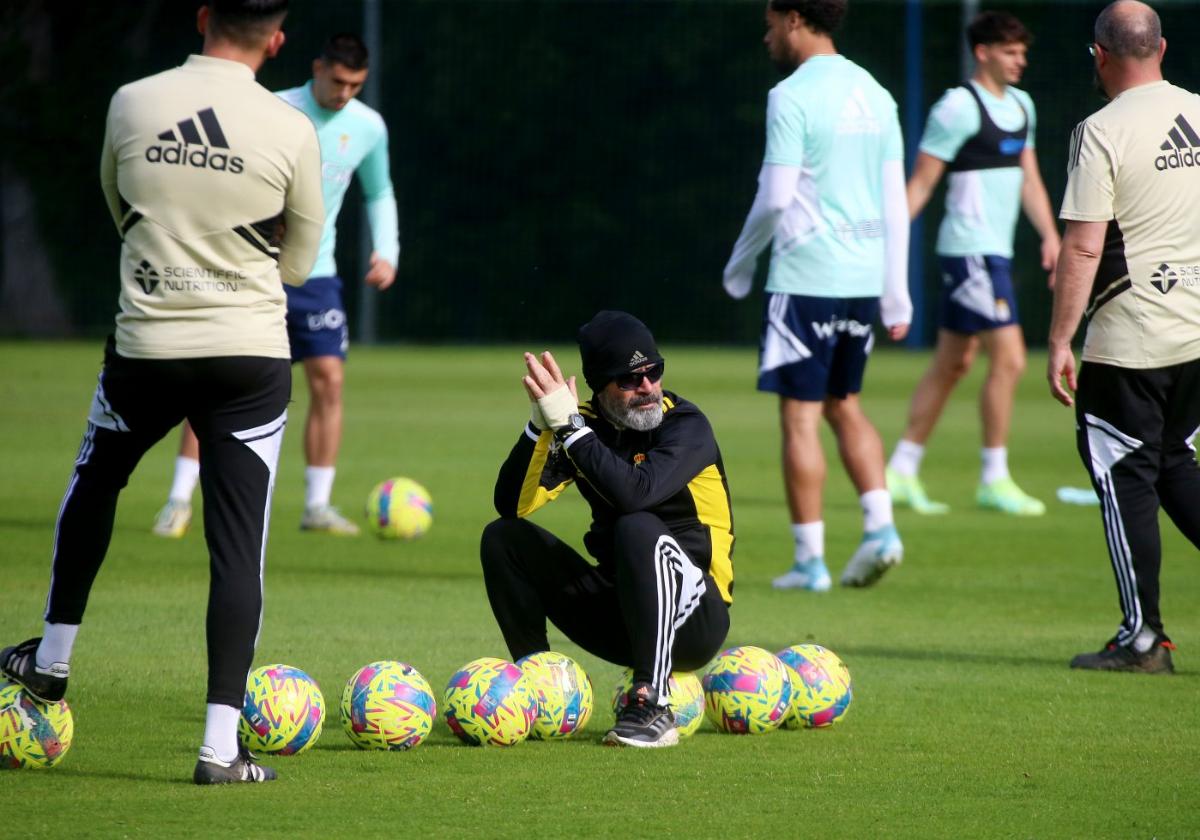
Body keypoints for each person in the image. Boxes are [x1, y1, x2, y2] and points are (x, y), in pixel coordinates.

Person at [0, 0, 323, 783]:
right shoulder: (291, 128)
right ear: (277, 41)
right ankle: (219, 751)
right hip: (249, 357)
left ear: (204, 16)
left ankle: (52, 660)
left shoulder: (132, 102)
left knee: (97, 482)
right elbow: (300, 265)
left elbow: (122, 211)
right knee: (237, 547)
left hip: (147, 345)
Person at [152, 32, 399, 539]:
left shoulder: (368, 127)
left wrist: (388, 251)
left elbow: (380, 190)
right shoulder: (273, 108)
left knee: (329, 379)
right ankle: (178, 499)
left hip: (317, 273)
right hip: (252, 268)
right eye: (338, 81)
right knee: (219, 381)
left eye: (356, 85)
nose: (345, 93)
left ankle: (317, 505)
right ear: (317, 68)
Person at [722, 0, 911, 591]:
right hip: (861, 277)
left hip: (806, 277)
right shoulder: (877, 94)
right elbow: (894, 202)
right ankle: (880, 527)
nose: (767, 36)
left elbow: (776, 196)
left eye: (771, 23)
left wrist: (740, 261)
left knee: (799, 417)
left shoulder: (792, 95)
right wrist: (896, 292)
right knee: (844, 403)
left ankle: (810, 562)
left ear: (795, 19)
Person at [480, 311, 733, 748]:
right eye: (630, 379)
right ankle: (541, 689)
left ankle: (652, 702)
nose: (648, 387)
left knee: (636, 525)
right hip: (621, 615)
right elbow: (513, 505)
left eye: (654, 371)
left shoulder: (686, 426)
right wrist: (540, 426)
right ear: (599, 386)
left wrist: (572, 430)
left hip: (694, 621)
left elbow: (637, 494)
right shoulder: (584, 425)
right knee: (503, 538)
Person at [1048, 0, 1200, 674]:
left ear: (1100, 55)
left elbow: (1082, 250)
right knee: (1173, 464)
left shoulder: (1099, 131)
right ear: (1161, 49)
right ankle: (1143, 635)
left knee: (1125, 476)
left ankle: (1143, 640)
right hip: (1196, 336)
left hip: (1131, 339)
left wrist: (1059, 341)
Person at [886, 11, 1060, 518]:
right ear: (982, 52)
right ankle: (994, 477)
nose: (1020, 60)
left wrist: (1050, 235)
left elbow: (1029, 178)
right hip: (968, 253)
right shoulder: (957, 108)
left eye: (1023, 52)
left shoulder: (1023, 106)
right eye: (1010, 51)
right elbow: (921, 183)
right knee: (1009, 359)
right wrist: (886, 239)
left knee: (953, 363)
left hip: (995, 253)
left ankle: (901, 468)